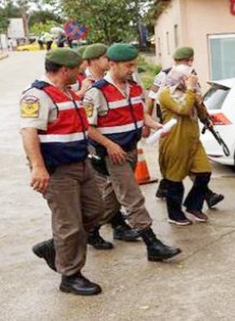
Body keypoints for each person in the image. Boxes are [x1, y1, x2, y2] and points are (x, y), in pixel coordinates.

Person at [84, 43, 181, 261]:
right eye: (128, 66)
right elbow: (88, 127)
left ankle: (89, 230)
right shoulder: (96, 92)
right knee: (132, 196)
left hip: (130, 149)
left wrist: (156, 126)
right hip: (113, 153)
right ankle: (152, 243)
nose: (132, 69)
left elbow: (141, 115)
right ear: (112, 64)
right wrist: (110, 145)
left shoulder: (135, 87)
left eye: (134, 65)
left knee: (112, 199)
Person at [22, 49, 104, 295]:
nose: (81, 73)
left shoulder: (67, 91)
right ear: (65, 70)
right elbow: (28, 132)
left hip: (81, 163)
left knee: (96, 211)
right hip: (57, 170)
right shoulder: (36, 95)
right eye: (78, 69)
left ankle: (55, 246)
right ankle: (70, 276)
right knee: (69, 225)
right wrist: (37, 167)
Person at [148, 47, 224, 209]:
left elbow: (197, 99)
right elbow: (152, 98)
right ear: (190, 59)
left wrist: (205, 119)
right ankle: (179, 194)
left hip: (188, 124)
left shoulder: (190, 74)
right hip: (170, 125)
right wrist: (147, 122)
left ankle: (196, 194)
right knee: (178, 166)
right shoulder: (164, 75)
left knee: (192, 165)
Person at [156, 65, 214, 225]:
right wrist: (190, 90)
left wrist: (199, 100)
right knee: (174, 180)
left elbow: (200, 112)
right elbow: (183, 108)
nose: (191, 80)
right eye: (188, 77)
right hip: (175, 141)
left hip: (193, 142)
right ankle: (174, 214)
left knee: (204, 173)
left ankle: (193, 206)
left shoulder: (190, 93)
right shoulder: (165, 93)